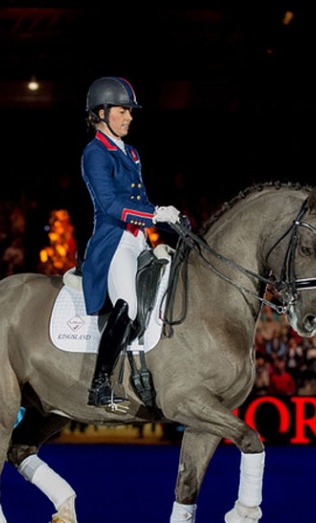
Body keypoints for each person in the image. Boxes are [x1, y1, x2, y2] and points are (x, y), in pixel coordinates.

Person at [80, 76, 182, 407]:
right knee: (129, 304)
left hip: (139, 241)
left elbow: (142, 202)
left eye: (129, 112)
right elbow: (110, 205)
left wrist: (171, 223)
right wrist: (155, 215)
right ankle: (100, 383)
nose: (129, 117)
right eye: (123, 111)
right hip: (114, 243)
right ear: (102, 112)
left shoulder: (132, 153)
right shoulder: (95, 153)